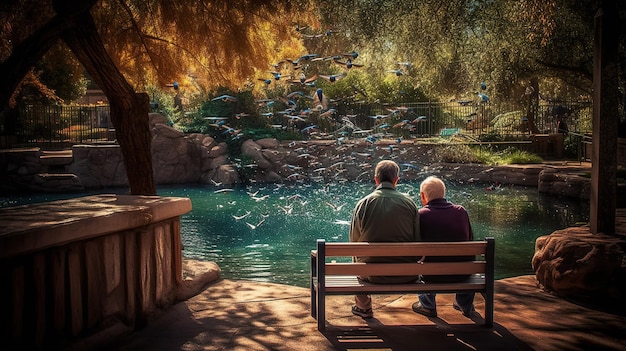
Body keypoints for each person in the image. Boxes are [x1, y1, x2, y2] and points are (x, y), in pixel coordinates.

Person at [349, 160, 421, 319]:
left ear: (376, 179)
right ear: (397, 180)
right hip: (406, 273)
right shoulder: (409, 203)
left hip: (371, 275)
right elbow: (418, 241)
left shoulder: (364, 203)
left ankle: (363, 306)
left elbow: (353, 243)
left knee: (355, 256)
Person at [412, 176, 476, 318]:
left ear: (423, 196)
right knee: (465, 260)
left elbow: (416, 247)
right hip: (462, 274)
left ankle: (427, 304)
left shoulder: (421, 215)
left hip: (433, 276)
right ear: (444, 194)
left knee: (422, 263)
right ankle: (464, 304)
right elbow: (470, 240)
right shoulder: (461, 211)